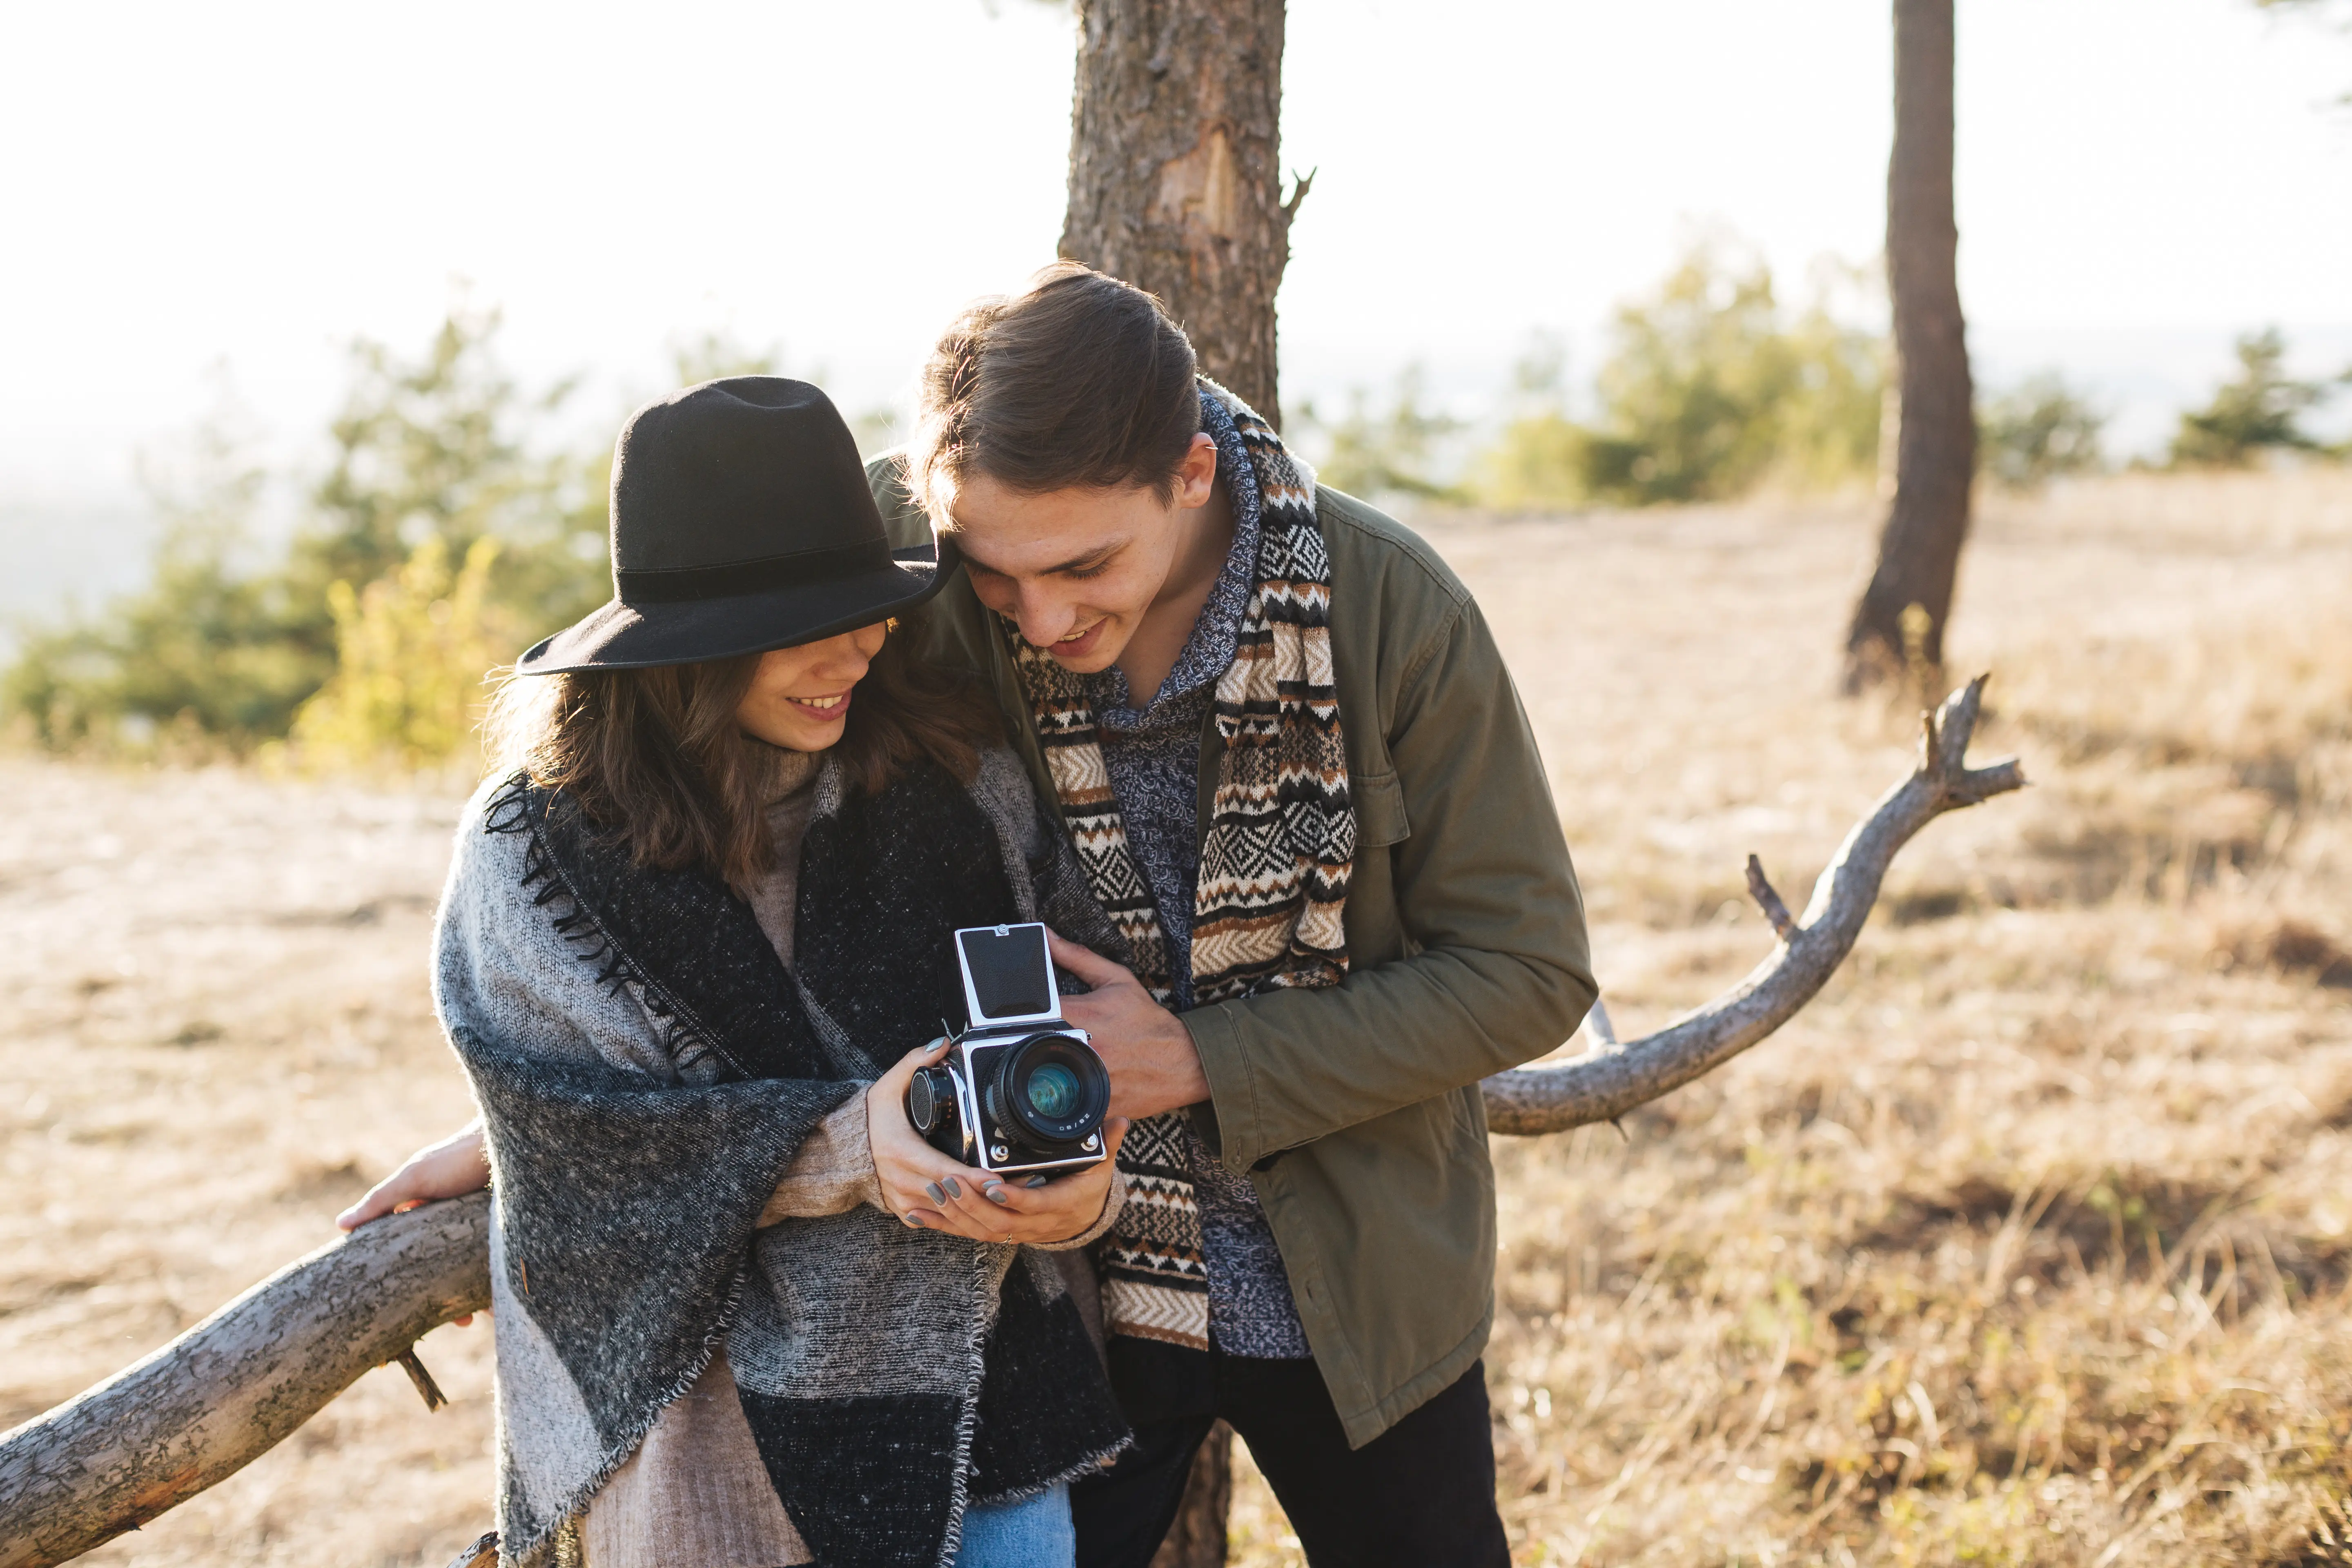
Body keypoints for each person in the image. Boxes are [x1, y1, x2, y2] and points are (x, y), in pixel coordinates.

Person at [872, 264, 1597, 1567]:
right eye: (996, 574)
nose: (1040, 618)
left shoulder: (1393, 612)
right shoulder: (927, 592)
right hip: (1058, 1288)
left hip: (1361, 1289)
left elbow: (1527, 970)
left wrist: (1203, 1061)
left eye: (1085, 565)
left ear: (1193, 474)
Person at [346, 376, 1135, 1568]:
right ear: (683, 651)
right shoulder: (537, 859)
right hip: (704, 1445)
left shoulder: (955, 789)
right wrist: (849, 1143)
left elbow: (1061, 1056)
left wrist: (1091, 1189)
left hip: (992, 1413)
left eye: (870, 607)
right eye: (808, 623)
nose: (861, 648)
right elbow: (581, 1144)